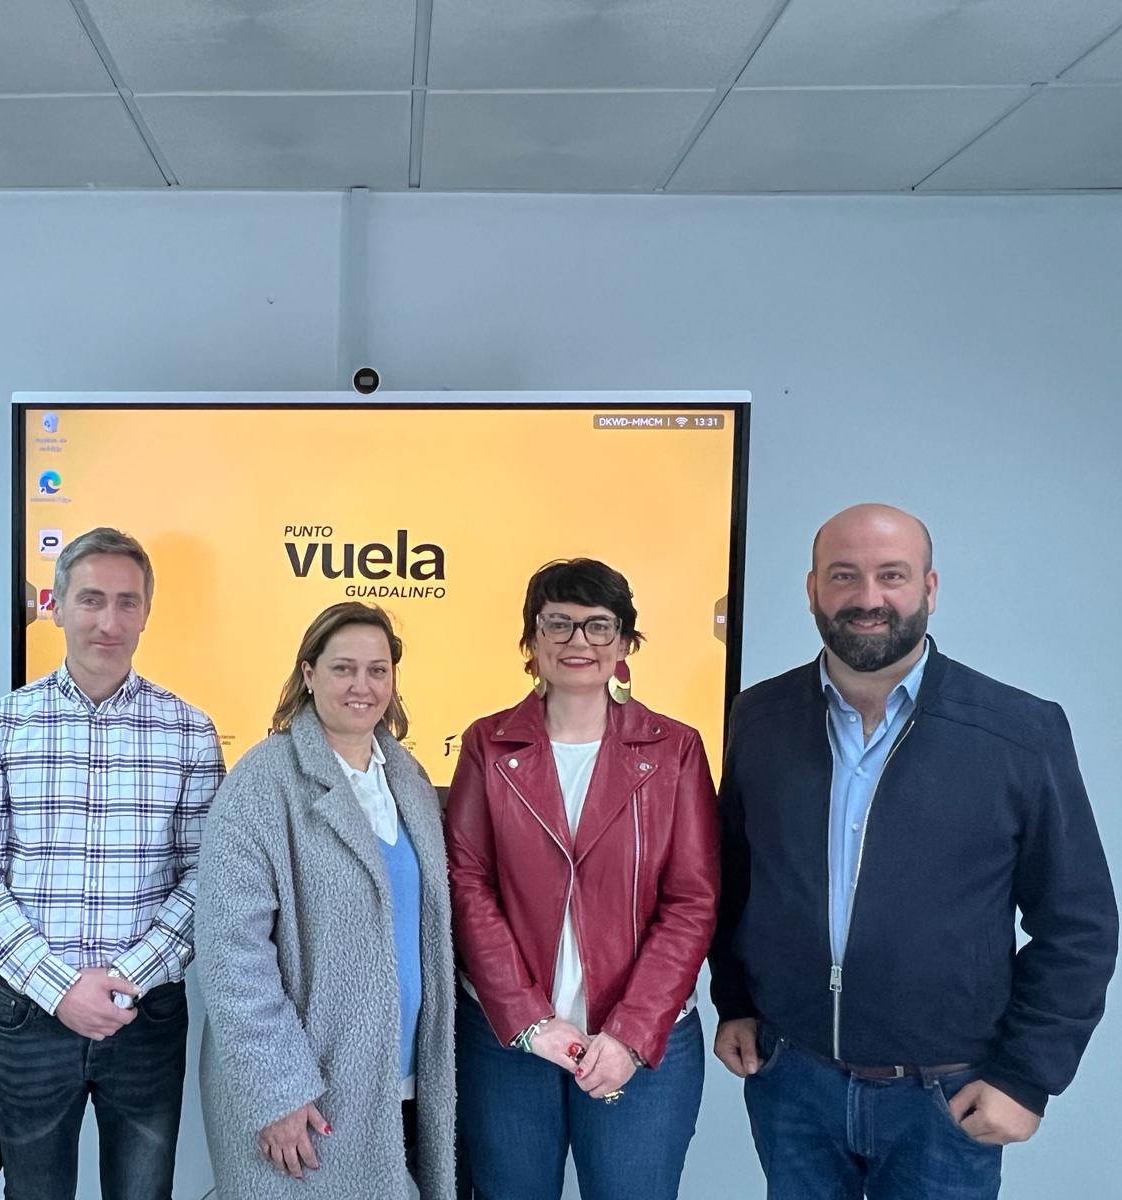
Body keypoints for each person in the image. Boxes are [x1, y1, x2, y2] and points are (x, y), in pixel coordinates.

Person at [710, 503, 1119, 1200]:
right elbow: (734, 881)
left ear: (929, 590)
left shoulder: (1020, 732)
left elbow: (1079, 924)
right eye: (845, 576)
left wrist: (1025, 1077)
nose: (868, 599)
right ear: (812, 589)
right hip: (792, 1084)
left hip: (947, 1095)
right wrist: (736, 1000)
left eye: (891, 576)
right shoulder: (759, 719)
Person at [0, 527, 225, 1200]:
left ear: (147, 613)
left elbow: (203, 879)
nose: (109, 621)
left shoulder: (190, 731)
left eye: (127, 602)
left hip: (146, 1016)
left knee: (142, 1192)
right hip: (30, 1013)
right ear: (56, 606)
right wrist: (61, 987)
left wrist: (128, 977)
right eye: (92, 599)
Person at [445, 558, 719, 1200]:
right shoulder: (487, 744)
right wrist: (528, 1020)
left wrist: (630, 1031)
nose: (578, 643)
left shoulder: (675, 749)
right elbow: (467, 885)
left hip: (643, 1041)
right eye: (559, 624)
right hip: (506, 1041)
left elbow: (692, 901)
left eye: (599, 627)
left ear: (625, 644)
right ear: (530, 642)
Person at [197, 601, 457, 1199]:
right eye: (343, 668)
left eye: (378, 670)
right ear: (308, 675)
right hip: (307, 1097)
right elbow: (230, 956)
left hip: (405, 1083)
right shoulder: (262, 785)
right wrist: (277, 1091)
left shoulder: (409, 781)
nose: (362, 686)